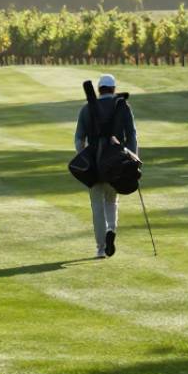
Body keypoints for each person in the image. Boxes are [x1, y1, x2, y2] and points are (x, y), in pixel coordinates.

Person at [74, 74, 138, 258]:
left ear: (99, 89)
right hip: (117, 163)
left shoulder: (87, 108)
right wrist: (133, 160)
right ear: (114, 89)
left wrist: (84, 157)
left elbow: (79, 139)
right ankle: (111, 229)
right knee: (112, 201)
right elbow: (131, 136)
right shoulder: (123, 106)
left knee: (97, 206)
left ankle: (101, 248)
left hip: (95, 163)